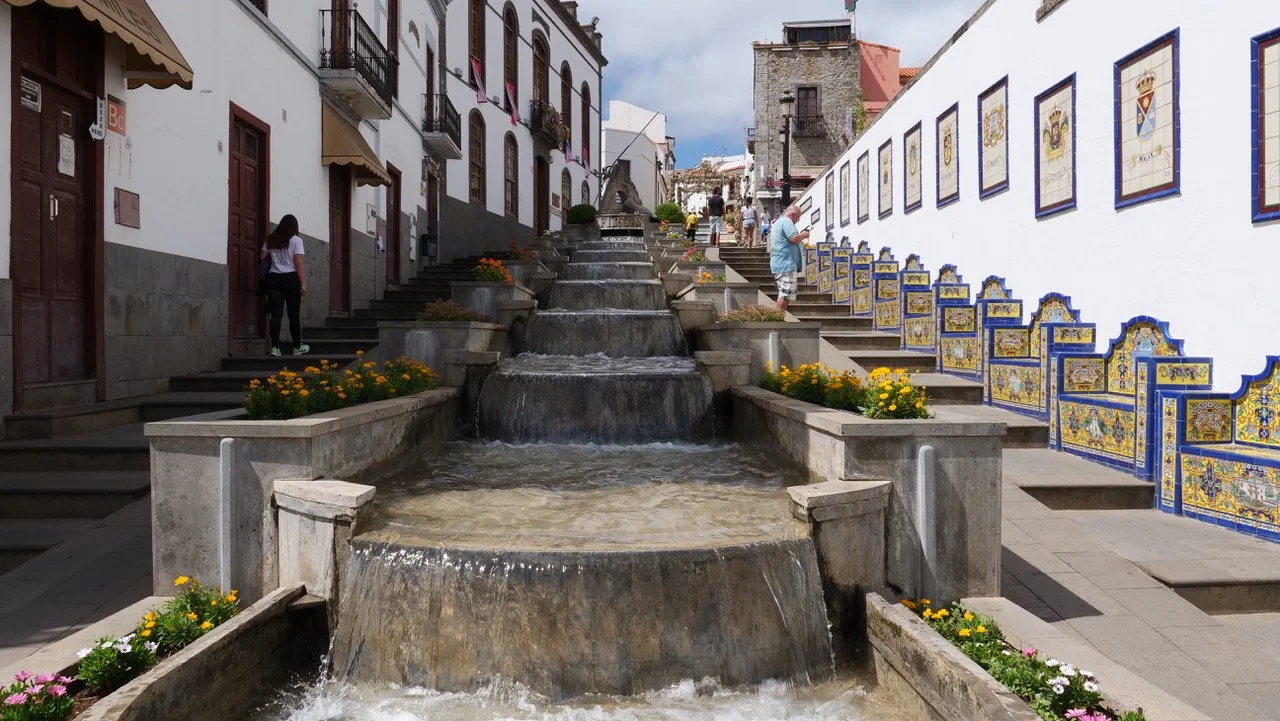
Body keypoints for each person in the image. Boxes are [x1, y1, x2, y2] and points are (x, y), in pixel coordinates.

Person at [260, 214, 309, 357]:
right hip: (291, 279)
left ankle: (275, 347)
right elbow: (298, 262)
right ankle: (297, 347)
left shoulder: (270, 239)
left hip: (273, 278)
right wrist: (303, 283)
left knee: (276, 315)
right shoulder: (296, 240)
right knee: (294, 315)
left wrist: (276, 261)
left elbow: (262, 257)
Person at [768, 204, 810, 312]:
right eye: (798, 217)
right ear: (792, 215)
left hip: (781, 262)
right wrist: (804, 235)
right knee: (785, 293)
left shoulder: (779, 222)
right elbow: (794, 238)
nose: (799, 220)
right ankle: (778, 321)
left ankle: (778, 319)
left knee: (784, 292)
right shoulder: (787, 221)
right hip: (786, 263)